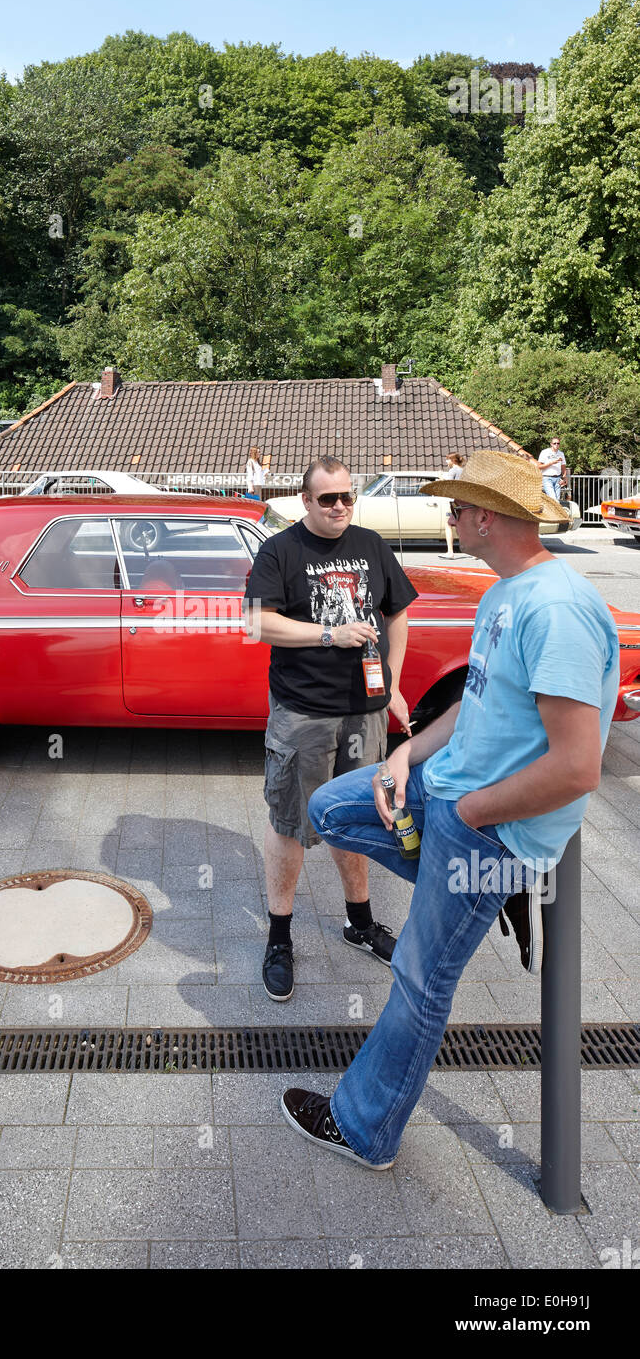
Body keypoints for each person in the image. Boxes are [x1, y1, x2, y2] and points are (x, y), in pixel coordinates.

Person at [280, 449, 619, 1169]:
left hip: (487, 828)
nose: (450, 519)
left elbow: (576, 766)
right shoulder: (505, 593)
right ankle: (461, 892)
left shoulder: (556, 610)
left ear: (487, 517)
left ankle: (364, 1128)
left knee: (418, 978)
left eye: (456, 509)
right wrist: (407, 755)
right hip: (448, 794)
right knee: (332, 807)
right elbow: (480, 703)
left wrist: (467, 819)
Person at [242, 455, 418, 1001]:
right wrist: (328, 634)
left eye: (347, 496)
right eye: (328, 499)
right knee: (291, 820)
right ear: (306, 501)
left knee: (360, 817)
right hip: (303, 712)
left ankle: (359, 922)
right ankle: (278, 938)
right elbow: (256, 621)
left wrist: (391, 681)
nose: (340, 507)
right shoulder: (280, 550)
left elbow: (397, 613)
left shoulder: (371, 544)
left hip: (363, 710)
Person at [438, 452, 467, 559]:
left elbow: (448, 483)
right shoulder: (464, 471)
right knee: (463, 526)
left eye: (448, 459)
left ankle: (450, 552)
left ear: (453, 460)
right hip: (464, 501)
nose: (446, 461)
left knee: (449, 525)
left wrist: (440, 476)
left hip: (454, 501)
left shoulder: (453, 470)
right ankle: (474, 552)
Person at [537, 436, 567, 503]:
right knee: (554, 500)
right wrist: (551, 463)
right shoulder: (545, 452)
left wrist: (564, 478)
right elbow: (539, 466)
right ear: (551, 444)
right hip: (547, 478)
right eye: (554, 443)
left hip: (557, 479)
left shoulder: (561, 454)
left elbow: (563, 467)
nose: (556, 445)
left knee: (556, 500)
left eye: (558, 443)